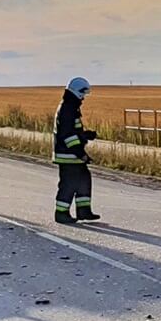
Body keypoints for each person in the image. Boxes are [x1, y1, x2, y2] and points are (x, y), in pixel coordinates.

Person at [53, 77, 101, 225]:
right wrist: (81, 154)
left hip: (71, 154)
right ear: (77, 91)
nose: (84, 97)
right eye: (83, 93)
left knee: (84, 180)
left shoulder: (71, 106)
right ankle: (61, 213)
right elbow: (68, 136)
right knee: (69, 184)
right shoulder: (68, 108)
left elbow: (72, 131)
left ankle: (83, 210)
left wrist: (85, 135)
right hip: (68, 155)